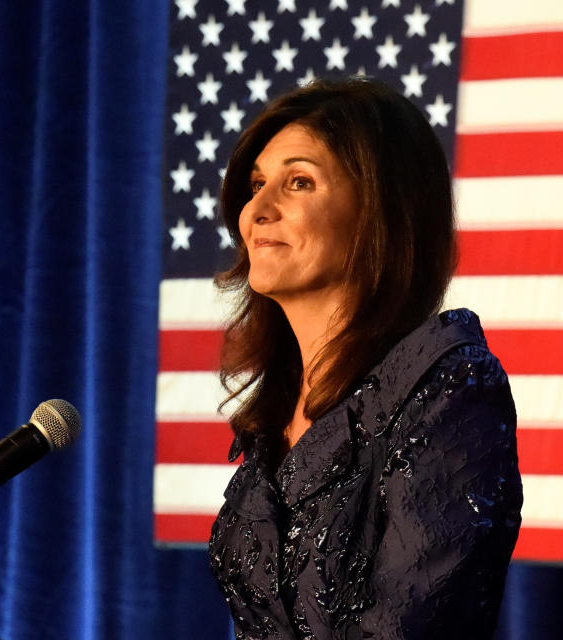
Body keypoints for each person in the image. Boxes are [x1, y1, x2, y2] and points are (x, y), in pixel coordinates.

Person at [207, 78, 523, 640]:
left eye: (298, 182)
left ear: (380, 210)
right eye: (257, 184)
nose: (258, 208)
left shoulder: (447, 387)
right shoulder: (272, 418)